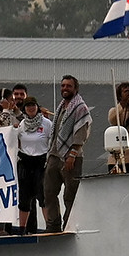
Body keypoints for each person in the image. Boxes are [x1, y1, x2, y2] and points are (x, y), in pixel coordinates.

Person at [43, 75, 91, 230]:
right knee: (49, 192)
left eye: (68, 86)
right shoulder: (61, 107)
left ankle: (69, 224)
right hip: (54, 155)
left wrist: (72, 154)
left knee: (70, 195)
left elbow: (81, 133)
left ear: (75, 88)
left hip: (71, 157)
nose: (65, 88)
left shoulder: (80, 108)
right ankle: (53, 224)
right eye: (63, 85)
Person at [14, 97, 51, 233]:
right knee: (24, 197)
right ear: (24, 109)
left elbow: (52, 143)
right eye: (28, 106)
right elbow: (14, 142)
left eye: (33, 105)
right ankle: (22, 229)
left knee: (42, 195)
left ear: (37, 107)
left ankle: (49, 226)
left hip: (40, 162)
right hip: (25, 162)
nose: (30, 108)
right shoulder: (21, 125)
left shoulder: (46, 124)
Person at [106, 80, 129, 173]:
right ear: (119, 95)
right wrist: (123, 103)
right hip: (117, 158)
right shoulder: (115, 110)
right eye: (126, 91)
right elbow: (113, 119)